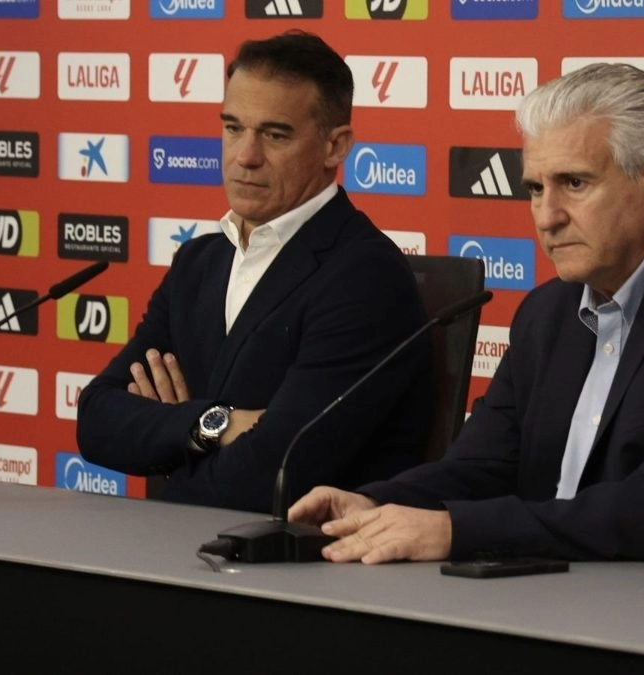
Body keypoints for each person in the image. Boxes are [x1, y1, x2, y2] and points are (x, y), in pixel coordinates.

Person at [289, 63, 644, 589]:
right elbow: (485, 466)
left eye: (574, 183)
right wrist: (374, 503)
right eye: (534, 189)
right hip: (592, 599)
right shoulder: (547, 312)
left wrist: (453, 531)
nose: (547, 217)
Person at [76, 31, 431, 512]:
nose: (245, 156)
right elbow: (97, 421)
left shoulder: (365, 276)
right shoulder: (198, 262)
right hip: (176, 552)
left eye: (275, 134)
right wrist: (216, 422)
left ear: (335, 147)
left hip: (299, 569)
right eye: (232, 128)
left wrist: (173, 434)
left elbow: (273, 473)